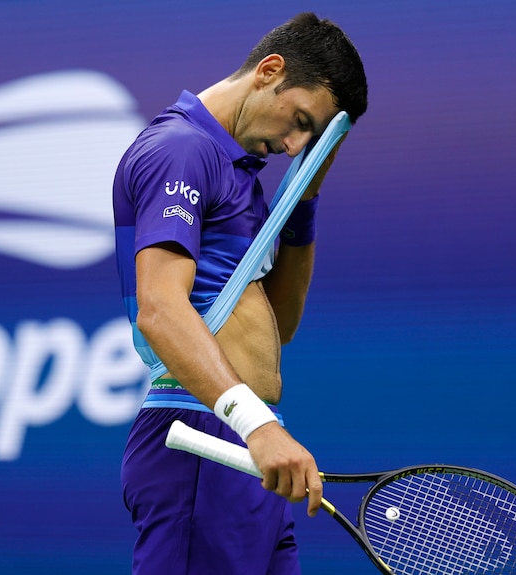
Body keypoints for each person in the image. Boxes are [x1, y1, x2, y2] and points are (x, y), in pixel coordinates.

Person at [113, 12, 368, 574]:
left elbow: (278, 326)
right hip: (205, 441)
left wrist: (303, 202)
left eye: (313, 137)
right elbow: (159, 310)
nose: (295, 143)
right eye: (300, 120)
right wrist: (258, 425)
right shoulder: (182, 149)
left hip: (244, 444)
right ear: (269, 70)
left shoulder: (241, 175)